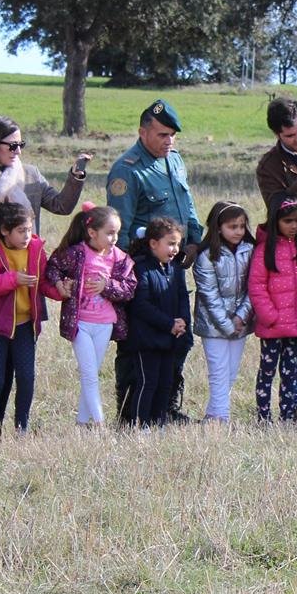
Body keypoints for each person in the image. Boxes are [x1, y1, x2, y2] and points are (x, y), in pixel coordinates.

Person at [0, 114, 89, 430]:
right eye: (11, 145)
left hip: (25, 281)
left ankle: (8, 424)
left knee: (18, 366)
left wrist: (76, 175)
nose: (17, 150)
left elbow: (61, 206)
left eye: (21, 144)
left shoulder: (30, 175)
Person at [107, 99, 202, 421]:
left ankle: (166, 406)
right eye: (162, 135)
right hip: (142, 267)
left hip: (173, 264)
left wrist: (194, 238)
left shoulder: (174, 160)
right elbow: (119, 229)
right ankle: (131, 408)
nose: (169, 141)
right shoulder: (127, 169)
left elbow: (186, 203)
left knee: (180, 337)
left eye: (172, 135)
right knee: (140, 341)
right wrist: (123, 274)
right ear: (142, 132)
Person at [0, 202, 61, 432]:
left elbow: (42, 283)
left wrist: (60, 291)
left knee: (26, 377)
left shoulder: (36, 249)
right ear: (4, 230)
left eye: (29, 230)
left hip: (25, 324)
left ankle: (22, 427)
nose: (27, 236)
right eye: (21, 231)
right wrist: (13, 279)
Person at [46, 204, 136, 427]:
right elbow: (52, 267)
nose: (114, 238)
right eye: (109, 232)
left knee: (92, 373)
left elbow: (129, 288)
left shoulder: (120, 258)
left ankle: (82, 422)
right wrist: (59, 284)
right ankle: (99, 424)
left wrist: (107, 286)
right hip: (80, 324)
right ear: (92, 232)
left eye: (117, 232)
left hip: (105, 324)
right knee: (89, 374)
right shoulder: (76, 253)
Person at [250, 197, 297, 422]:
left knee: (291, 373)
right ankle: (263, 417)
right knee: (267, 372)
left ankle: (288, 415)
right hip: (273, 326)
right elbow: (256, 286)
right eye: (287, 221)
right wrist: (269, 316)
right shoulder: (264, 250)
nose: (294, 225)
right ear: (276, 222)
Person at [121, 217, 191, 427]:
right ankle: (140, 424)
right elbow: (141, 306)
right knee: (147, 383)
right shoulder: (142, 268)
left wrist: (183, 323)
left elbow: (182, 297)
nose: (175, 249)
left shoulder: (175, 269)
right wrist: (169, 323)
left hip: (170, 339)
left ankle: (158, 423)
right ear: (153, 243)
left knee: (165, 383)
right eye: (170, 243)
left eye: (177, 244)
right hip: (147, 340)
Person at [193, 200, 255, 424]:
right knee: (218, 373)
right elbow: (209, 296)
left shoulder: (250, 250)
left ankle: (212, 416)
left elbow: (253, 287)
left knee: (230, 373)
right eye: (232, 227)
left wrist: (241, 316)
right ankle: (222, 419)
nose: (238, 231)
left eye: (241, 226)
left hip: (241, 322)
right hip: (213, 325)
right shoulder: (206, 256)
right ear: (218, 227)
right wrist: (228, 325)